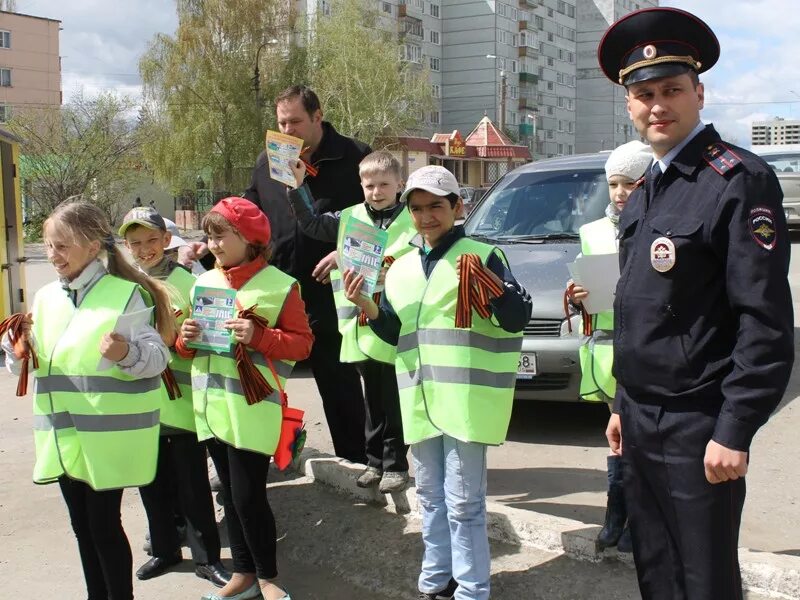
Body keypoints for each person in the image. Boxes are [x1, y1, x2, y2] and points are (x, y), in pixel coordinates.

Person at [598, 7, 794, 599]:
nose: (659, 104)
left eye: (672, 90)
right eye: (645, 93)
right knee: (655, 571)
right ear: (630, 104)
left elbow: (764, 321)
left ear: (699, 93)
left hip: (697, 424)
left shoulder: (737, 180)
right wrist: (619, 403)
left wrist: (735, 429)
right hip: (639, 419)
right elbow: (640, 314)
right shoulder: (646, 191)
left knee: (704, 580)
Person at [343, 166, 532, 600]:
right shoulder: (402, 266)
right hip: (418, 398)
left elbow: (515, 319)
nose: (426, 216)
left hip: (465, 400)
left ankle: (471, 590)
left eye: (435, 207)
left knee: (464, 503)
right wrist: (368, 306)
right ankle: (436, 579)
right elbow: (395, 332)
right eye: (417, 208)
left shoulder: (482, 255)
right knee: (429, 495)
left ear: (457, 207)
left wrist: (493, 288)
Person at [184, 85, 371, 464]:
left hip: (329, 292)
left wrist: (344, 251)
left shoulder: (355, 156)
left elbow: (378, 215)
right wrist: (212, 241)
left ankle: (355, 464)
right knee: (260, 379)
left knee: (338, 383)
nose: (288, 130)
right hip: (275, 291)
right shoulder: (267, 161)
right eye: (281, 122)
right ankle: (254, 459)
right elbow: (246, 210)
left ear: (318, 117)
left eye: (296, 121)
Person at [2, 200, 174, 600]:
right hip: (63, 439)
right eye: (48, 245)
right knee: (82, 527)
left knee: (102, 526)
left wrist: (125, 354)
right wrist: (18, 350)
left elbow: (157, 359)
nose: (52, 254)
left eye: (62, 245)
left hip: (106, 442)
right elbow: (31, 365)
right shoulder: (45, 298)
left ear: (94, 244)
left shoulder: (126, 294)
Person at [176, 197, 313, 600]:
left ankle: (268, 577)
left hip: (254, 411)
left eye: (222, 235)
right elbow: (189, 346)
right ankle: (244, 575)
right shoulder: (204, 283)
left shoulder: (280, 285)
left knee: (249, 497)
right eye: (209, 236)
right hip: (211, 407)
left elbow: (303, 345)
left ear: (250, 238)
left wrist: (261, 337)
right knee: (231, 499)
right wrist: (183, 340)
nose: (213, 244)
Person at [286, 150, 416, 493]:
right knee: (372, 397)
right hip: (360, 324)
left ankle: (395, 465)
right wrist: (297, 187)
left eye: (384, 184)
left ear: (399, 184)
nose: (376, 191)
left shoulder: (413, 219)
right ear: (361, 185)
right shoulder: (351, 216)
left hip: (396, 321)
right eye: (370, 185)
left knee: (393, 397)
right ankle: (373, 462)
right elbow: (312, 223)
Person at [118, 207, 230, 588]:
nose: (144, 249)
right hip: (141, 403)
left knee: (192, 485)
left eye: (151, 240)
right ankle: (165, 550)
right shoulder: (122, 285)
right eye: (136, 243)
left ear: (167, 241)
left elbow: (207, 339)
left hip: (182, 402)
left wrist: (180, 339)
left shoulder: (191, 282)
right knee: (151, 484)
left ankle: (206, 558)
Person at [566, 140, 651, 554]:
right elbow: (588, 290)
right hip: (606, 351)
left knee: (642, 441)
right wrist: (577, 294)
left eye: (630, 183)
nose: (619, 192)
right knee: (617, 438)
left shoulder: (661, 225)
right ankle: (615, 514)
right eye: (614, 183)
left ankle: (638, 519)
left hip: (650, 351)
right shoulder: (592, 232)